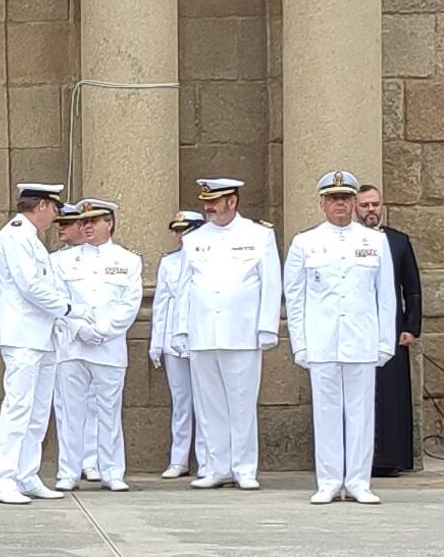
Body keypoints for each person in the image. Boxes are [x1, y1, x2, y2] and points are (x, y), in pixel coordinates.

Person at [284, 171, 395, 505]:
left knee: (361, 413)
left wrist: (384, 342)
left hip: (361, 338)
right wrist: (299, 343)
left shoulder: (374, 241)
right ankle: (329, 480)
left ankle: (359, 481)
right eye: (333, 199)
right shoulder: (306, 242)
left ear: (354, 203)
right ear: (322, 203)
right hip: (322, 340)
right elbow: (296, 297)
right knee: (327, 412)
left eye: (345, 199)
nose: (340, 206)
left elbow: (385, 297)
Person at [172, 178, 281, 490]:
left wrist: (267, 326)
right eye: (206, 201)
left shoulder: (258, 234)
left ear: (232, 201)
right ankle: (217, 467)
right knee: (209, 405)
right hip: (203, 331)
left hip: (242, 332)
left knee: (242, 402)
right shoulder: (195, 238)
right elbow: (185, 288)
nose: (209, 207)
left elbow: (271, 283)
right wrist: (181, 329)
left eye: (215, 201)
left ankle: (244, 468)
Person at [0, 183, 89, 504]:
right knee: (18, 407)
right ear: (42, 206)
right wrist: (67, 308)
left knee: (38, 410)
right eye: (55, 209)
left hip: (41, 335)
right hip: (22, 335)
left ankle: (26, 474)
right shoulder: (16, 235)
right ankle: (4, 480)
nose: (56, 216)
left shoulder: (30, 239)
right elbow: (31, 286)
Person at [53, 199, 142, 492]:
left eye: (95, 220)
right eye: (84, 221)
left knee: (109, 411)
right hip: (73, 345)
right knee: (71, 411)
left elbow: (129, 304)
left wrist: (102, 331)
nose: (87, 226)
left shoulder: (127, 260)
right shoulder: (61, 260)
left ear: (110, 223)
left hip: (108, 346)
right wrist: (79, 329)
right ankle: (68, 471)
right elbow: (57, 300)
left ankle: (112, 471)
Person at [356, 184, 422, 476]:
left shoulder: (398, 241)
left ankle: (391, 459)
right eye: (365, 205)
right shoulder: (348, 242)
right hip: (358, 328)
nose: (370, 210)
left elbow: (413, 289)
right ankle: (361, 459)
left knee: (391, 392)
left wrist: (411, 327)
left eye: (374, 204)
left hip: (392, 328)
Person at [149, 211, 208, 479]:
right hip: (173, 339)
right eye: (178, 231)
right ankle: (179, 458)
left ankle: (207, 459)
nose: (180, 236)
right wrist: (156, 342)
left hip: (201, 338)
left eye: (186, 230)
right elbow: (161, 304)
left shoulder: (208, 258)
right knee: (181, 401)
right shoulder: (169, 263)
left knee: (206, 402)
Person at [53, 202, 100, 482]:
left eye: (67, 224)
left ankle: (91, 459)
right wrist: (78, 327)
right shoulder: (53, 260)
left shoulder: (105, 258)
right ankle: (70, 462)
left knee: (96, 402)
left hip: (99, 339)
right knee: (66, 405)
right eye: (59, 224)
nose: (61, 229)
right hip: (68, 338)